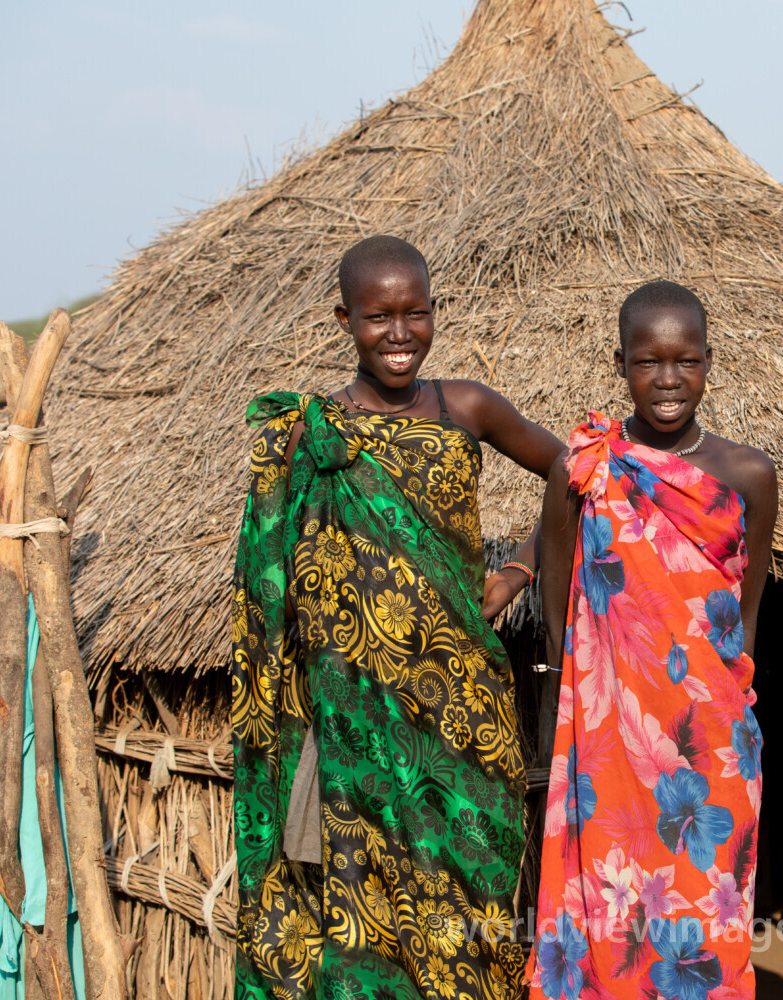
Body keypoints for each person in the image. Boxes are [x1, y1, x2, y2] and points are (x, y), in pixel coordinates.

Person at [231, 235, 564, 1000]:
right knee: (365, 903)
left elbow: (570, 470)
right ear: (345, 318)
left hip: (460, 704)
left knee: (473, 883)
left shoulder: (467, 406)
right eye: (380, 316)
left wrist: (517, 570)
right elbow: (270, 582)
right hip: (356, 715)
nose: (400, 333)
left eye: (416, 313)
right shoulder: (310, 437)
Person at [530, 281, 778, 1000]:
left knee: (708, 918)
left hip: (715, 736)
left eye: (685, 361)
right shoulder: (584, 469)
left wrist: (738, 715)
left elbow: (745, 610)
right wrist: (563, 694)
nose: (667, 380)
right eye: (648, 362)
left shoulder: (749, 474)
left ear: (709, 362)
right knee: (610, 906)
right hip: (608, 734)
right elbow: (556, 584)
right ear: (620, 364)